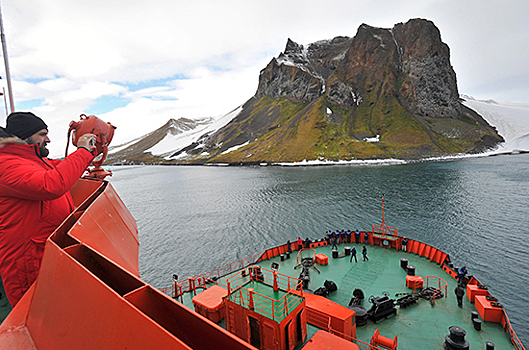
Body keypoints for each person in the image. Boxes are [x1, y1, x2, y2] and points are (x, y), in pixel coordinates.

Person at [0, 112, 97, 308]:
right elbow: (51, 185)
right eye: (42, 134)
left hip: (44, 254)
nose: (48, 139)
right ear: (23, 137)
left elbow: (61, 169)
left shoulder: (31, 161)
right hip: (28, 263)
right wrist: (83, 152)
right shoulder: (5, 164)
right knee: (38, 316)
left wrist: (90, 153)